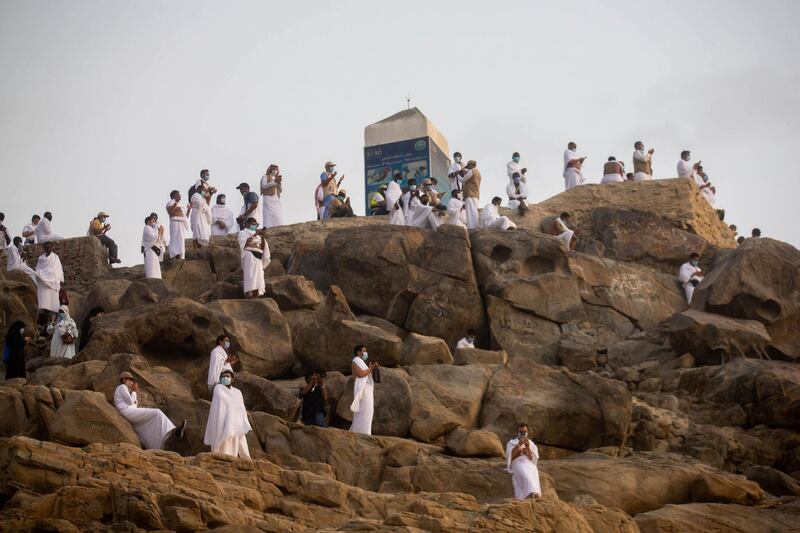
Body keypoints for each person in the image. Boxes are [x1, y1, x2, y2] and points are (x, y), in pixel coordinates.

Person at [115, 372, 182, 450]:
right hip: (126, 411)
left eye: (132, 380)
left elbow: (133, 405)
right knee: (157, 413)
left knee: (147, 425)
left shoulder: (125, 389)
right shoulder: (122, 387)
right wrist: (134, 391)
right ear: (123, 380)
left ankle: (159, 445)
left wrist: (133, 393)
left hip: (128, 411)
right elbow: (130, 402)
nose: (131, 382)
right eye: (129, 379)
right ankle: (173, 432)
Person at [204, 370, 252, 458]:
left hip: (235, 420)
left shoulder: (238, 392)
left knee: (236, 440)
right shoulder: (218, 388)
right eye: (223, 377)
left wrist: (241, 412)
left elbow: (241, 405)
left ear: (232, 379)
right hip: (221, 420)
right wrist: (239, 408)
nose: (225, 378)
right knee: (222, 442)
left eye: (227, 376)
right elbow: (226, 400)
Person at [505, 423, 541, 500]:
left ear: (527, 432)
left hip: (529, 463)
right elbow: (510, 456)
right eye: (521, 432)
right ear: (517, 432)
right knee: (526, 475)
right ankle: (529, 493)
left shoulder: (531, 443)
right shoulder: (511, 442)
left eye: (524, 432)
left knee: (533, 474)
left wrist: (527, 448)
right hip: (517, 462)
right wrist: (519, 445)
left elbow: (533, 459)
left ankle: (535, 492)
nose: (523, 434)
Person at [237, 217, 270, 298]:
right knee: (250, 277)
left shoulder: (259, 236)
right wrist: (255, 235)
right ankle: (249, 296)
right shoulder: (242, 233)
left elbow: (263, 247)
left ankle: (256, 297)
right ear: (247, 224)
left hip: (258, 258)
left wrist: (262, 237)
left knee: (258, 279)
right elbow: (245, 244)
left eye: (255, 225)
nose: (254, 226)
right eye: (252, 224)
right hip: (249, 256)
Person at [350, 345, 379, 435]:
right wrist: (371, 368)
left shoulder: (362, 362)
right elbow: (360, 374)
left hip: (367, 390)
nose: (365, 353)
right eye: (364, 350)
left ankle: (365, 433)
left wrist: (371, 369)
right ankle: (359, 433)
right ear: (358, 352)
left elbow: (367, 375)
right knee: (363, 412)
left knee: (368, 411)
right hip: (362, 389)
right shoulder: (355, 360)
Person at [35, 242, 64, 329]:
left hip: (52, 282)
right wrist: (41, 274)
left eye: (49, 247)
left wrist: (58, 277)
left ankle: (50, 323)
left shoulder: (55, 257)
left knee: (51, 304)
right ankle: (41, 323)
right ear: (44, 248)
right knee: (43, 304)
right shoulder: (41, 258)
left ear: (52, 247)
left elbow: (58, 269)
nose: (48, 249)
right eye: (46, 247)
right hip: (43, 284)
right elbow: (38, 268)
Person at [166, 190, 190, 260]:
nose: (180, 196)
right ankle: (174, 256)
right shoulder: (170, 203)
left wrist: (189, 209)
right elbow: (171, 212)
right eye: (178, 195)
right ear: (174, 196)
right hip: (175, 222)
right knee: (175, 240)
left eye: (180, 194)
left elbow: (186, 216)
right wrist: (175, 203)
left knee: (181, 240)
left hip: (182, 223)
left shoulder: (181, 205)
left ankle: (181, 257)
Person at [190, 182, 212, 248]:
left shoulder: (203, 198)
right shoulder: (195, 195)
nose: (204, 192)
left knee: (203, 234)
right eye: (203, 190)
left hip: (204, 218)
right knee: (197, 233)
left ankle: (200, 248)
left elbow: (207, 207)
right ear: (198, 190)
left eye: (205, 191)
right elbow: (200, 204)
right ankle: (196, 249)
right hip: (197, 216)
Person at [261, 164, 283, 228]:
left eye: (276, 169)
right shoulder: (265, 176)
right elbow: (264, 186)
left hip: (276, 199)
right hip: (268, 198)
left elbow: (281, 190)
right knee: (268, 214)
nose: (275, 171)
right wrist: (274, 182)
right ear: (270, 170)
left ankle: (279, 226)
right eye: (273, 169)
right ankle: (267, 227)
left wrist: (278, 183)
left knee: (277, 214)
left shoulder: (277, 178)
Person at [462, 160, 482, 230]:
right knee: (475, 210)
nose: (468, 168)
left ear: (471, 165)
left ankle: (471, 227)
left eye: (468, 166)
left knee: (470, 211)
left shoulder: (471, 171)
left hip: (469, 193)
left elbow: (463, 180)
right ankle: (476, 226)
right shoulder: (478, 173)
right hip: (476, 194)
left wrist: (463, 173)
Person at [142, 215, 164, 279]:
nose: (154, 222)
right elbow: (154, 238)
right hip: (150, 250)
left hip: (153, 251)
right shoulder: (147, 227)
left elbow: (158, 238)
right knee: (151, 266)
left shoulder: (151, 229)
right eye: (153, 221)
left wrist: (160, 232)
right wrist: (159, 232)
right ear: (148, 221)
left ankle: (157, 278)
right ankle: (151, 279)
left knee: (155, 266)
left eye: (155, 221)